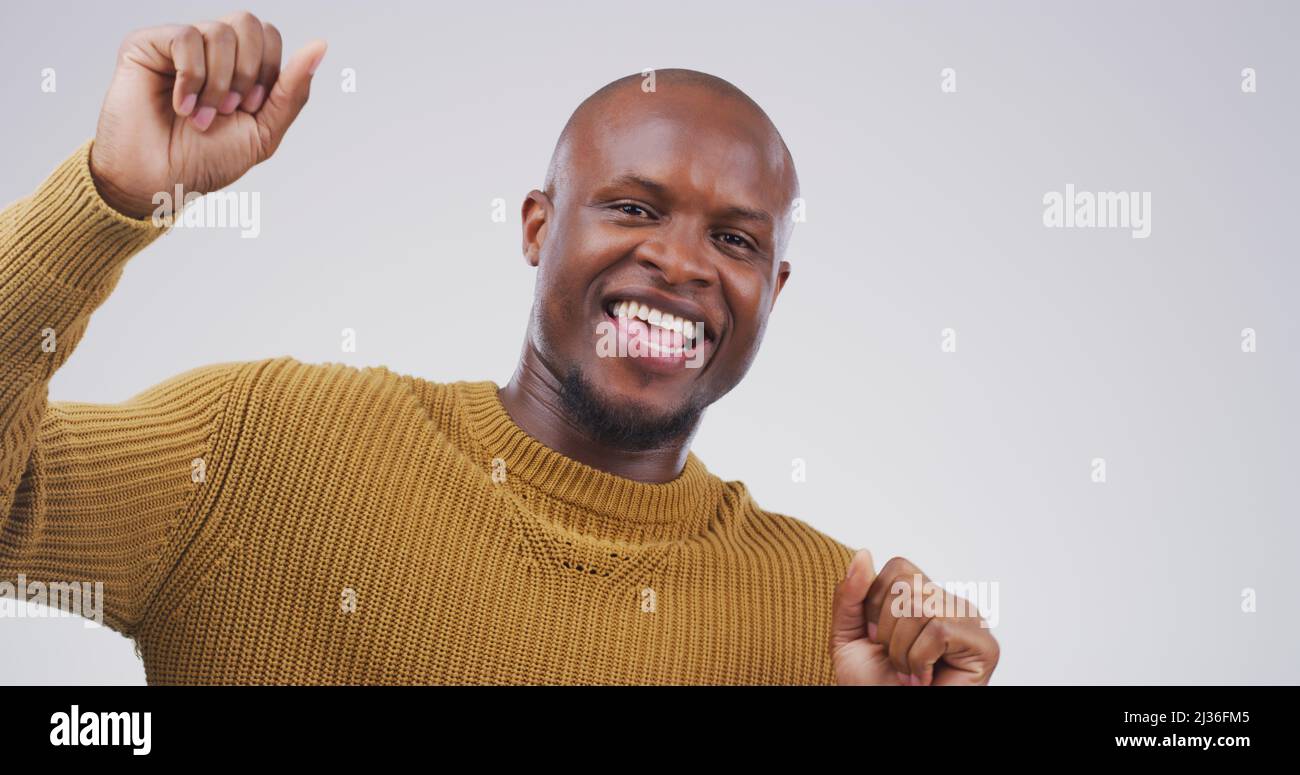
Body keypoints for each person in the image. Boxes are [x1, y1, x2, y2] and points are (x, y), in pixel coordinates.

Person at [0, 10, 999, 685]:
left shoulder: (825, 615)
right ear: (535, 227)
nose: (681, 262)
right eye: (633, 207)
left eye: (734, 239)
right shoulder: (262, 445)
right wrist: (111, 197)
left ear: (771, 290)